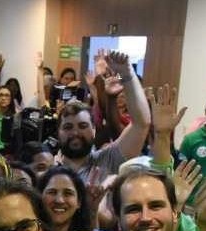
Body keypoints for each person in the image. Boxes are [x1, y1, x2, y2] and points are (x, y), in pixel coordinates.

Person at [54, 52, 151, 181]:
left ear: (94, 130)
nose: (75, 132)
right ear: (58, 133)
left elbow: (141, 124)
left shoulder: (108, 159)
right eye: (68, 127)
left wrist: (128, 75)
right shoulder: (49, 170)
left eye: (83, 126)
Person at [37, 165, 128, 231]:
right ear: (40, 197)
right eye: (52, 192)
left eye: (68, 193)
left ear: (79, 202)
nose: (59, 200)